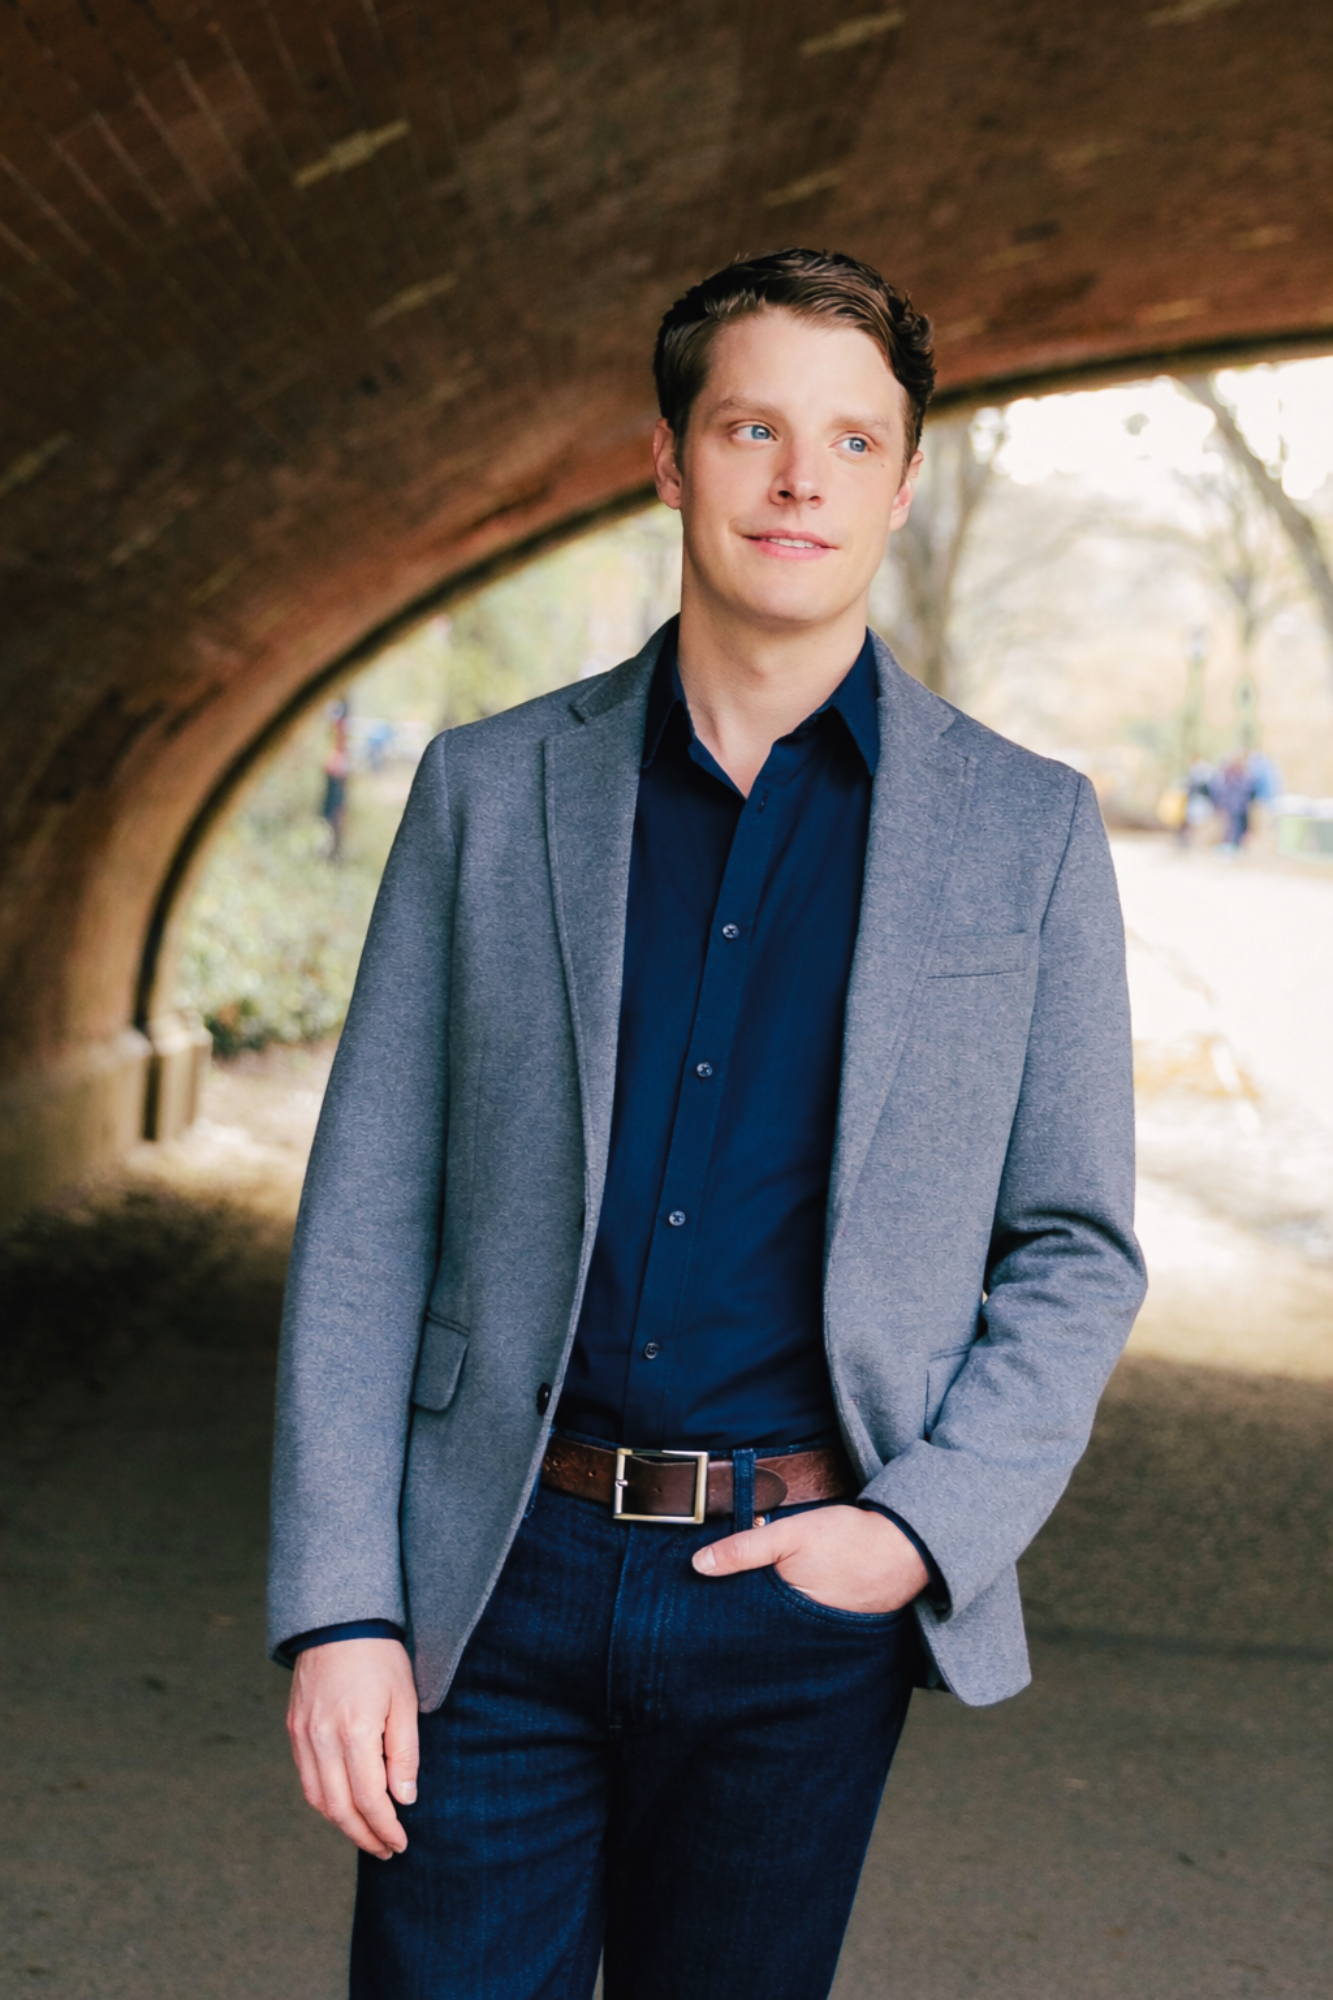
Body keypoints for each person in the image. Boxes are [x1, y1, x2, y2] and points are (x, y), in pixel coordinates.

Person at [269, 249, 1145, 2000]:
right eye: (752, 427)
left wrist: (913, 1535)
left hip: (798, 1601)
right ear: (673, 460)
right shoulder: (489, 792)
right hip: (490, 1585)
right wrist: (342, 1609)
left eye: (850, 440)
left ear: (903, 480)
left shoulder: (1026, 836)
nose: (800, 478)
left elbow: (1073, 1250)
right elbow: (371, 1213)